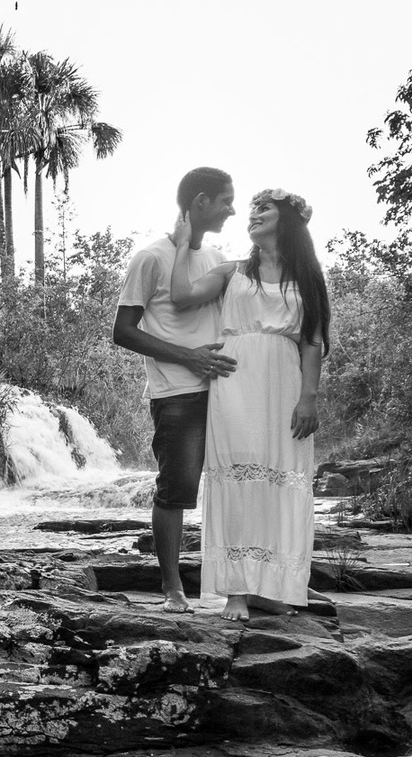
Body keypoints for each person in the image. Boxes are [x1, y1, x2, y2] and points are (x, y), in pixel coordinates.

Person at [170, 188, 330, 621]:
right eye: (253, 209)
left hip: (285, 386)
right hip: (235, 384)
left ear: (289, 220)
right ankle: (236, 590)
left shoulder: (308, 278)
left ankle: (272, 587)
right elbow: (181, 295)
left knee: (282, 481)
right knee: (237, 482)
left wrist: (309, 398)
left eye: (264, 208)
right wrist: (185, 241)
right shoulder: (232, 272)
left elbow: (312, 342)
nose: (253, 214)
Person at [113, 167, 237, 614]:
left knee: (232, 484)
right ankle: (172, 588)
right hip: (176, 393)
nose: (232, 209)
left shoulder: (217, 256)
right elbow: (123, 331)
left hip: (224, 390)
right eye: (226, 200)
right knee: (176, 489)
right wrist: (188, 357)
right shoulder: (150, 257)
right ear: (200, 201)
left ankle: (242, 582)